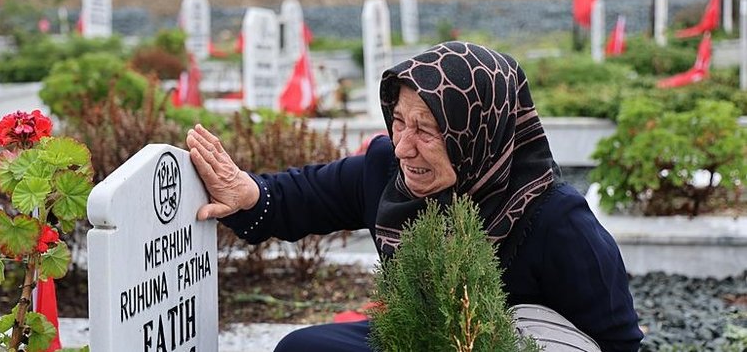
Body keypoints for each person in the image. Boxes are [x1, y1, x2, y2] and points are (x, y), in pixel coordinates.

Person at [186, 41, 643, 352]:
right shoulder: (387, 170)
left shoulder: (556, 219)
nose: (404, 147)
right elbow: (302, 195)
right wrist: (248, 193)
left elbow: (617, 340)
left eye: (426, 129)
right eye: (399, 122)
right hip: (416, 335)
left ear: (477, 133)